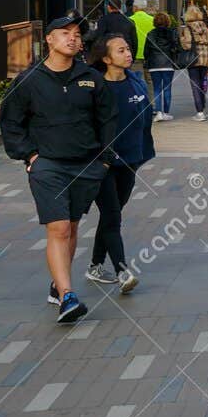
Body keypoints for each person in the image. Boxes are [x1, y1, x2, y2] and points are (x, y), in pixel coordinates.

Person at [0, 14, 118, 324]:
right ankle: (67, 295)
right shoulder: (28, 80)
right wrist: (29, 155)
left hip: (87, 164)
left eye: (77, 34)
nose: (73, 38)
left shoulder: (91, 77)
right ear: (48, 39)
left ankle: (57, 282)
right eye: (64, 33)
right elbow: (11, 122)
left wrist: (104, 159)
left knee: (72, 226)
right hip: (48, 166)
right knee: (59, 227)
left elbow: (107, 120)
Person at [85, 33, 155, 295]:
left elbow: (145, 118)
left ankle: (94, 265)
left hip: (131, 158)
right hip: (102, 162)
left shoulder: (135, 81)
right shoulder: (96, 87)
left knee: (111, 215)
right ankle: (122, 270)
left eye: (128, 49)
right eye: (121, 50)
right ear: (106, 58)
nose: (128, 54)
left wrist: (142, 152)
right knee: (112, 214)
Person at [178, 5, 208, 121]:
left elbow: (187, 45)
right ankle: (202, 106)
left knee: (195, 85)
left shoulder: (187, 28)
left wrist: (182, 39)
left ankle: (200, 112)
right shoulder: (205, 27)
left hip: (193, 59)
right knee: (202, 84)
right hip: (205, 59)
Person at [143, 12, 180, 121]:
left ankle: (158, 112)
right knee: (167, 88)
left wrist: (148, 59)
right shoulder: (172, 33)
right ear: (167, 21)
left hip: (154, 64)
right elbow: (177, 47)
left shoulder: (150, 34)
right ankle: (166, 112)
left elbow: (146, 51)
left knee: (157, 89)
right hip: (168, 64)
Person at [129, 0, 155, 71]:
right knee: (150, 80)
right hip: (150, 54)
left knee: (137, 79)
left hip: (135, 54)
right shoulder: (153, 20)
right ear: (145, 8)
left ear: (135, 7)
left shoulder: (129, 20)